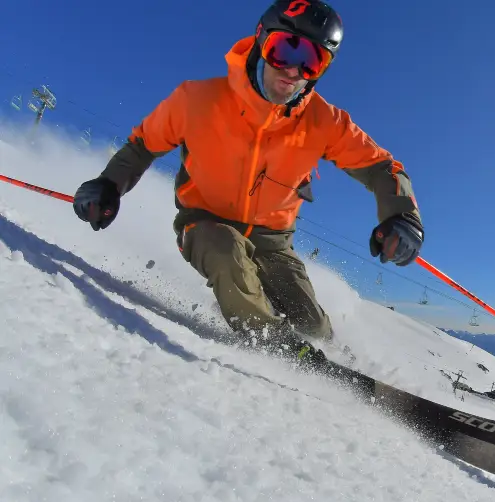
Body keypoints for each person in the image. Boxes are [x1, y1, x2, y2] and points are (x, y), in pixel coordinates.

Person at [71, 0, 424, 360]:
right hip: (206, 222)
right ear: (261, 40)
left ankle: (334, 361)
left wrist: (402, 214)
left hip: (273, 241)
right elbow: (142, 145)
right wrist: (108, 185)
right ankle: (278, 349)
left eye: (313, 60)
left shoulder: (325, 122)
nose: (294, 70)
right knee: (227, 254)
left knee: (313, 326)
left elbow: (381, 166)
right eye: (284, 49)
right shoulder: (198, 100)